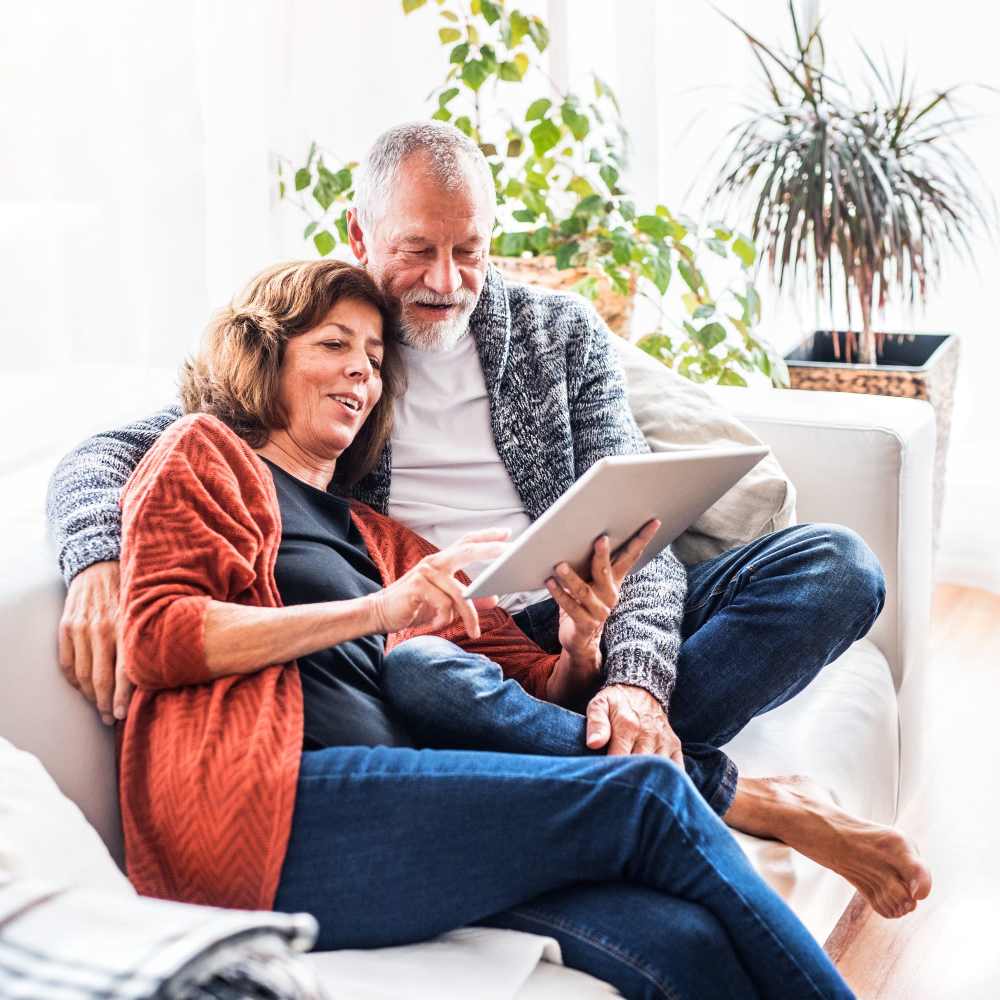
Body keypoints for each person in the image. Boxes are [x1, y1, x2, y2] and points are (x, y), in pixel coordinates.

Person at [47, 121, 930, 922]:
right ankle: (724, 794)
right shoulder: (322, 345)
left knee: (836, 568)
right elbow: (114, 452)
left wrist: (633, 677)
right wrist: (95, 561)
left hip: (578, 606)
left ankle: (606, 757)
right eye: (418, 249)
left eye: (469, 250)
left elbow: (645, 535)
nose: (446, 280)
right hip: (447, 637)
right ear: (360, 236)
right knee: (428, 678)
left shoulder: (558, 335)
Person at [113, 256, 854, 998]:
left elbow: (537, 689)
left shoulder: (382, 538)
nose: (360, 375)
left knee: (681, 944)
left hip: (413, 807)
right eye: (333, 346)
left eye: (373, 359)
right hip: (270, 811)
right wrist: (379, 611)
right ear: (263, 351)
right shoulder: (205, 456)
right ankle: (721, 792)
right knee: (649, 797)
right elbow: (158, 636)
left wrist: (578, 645)